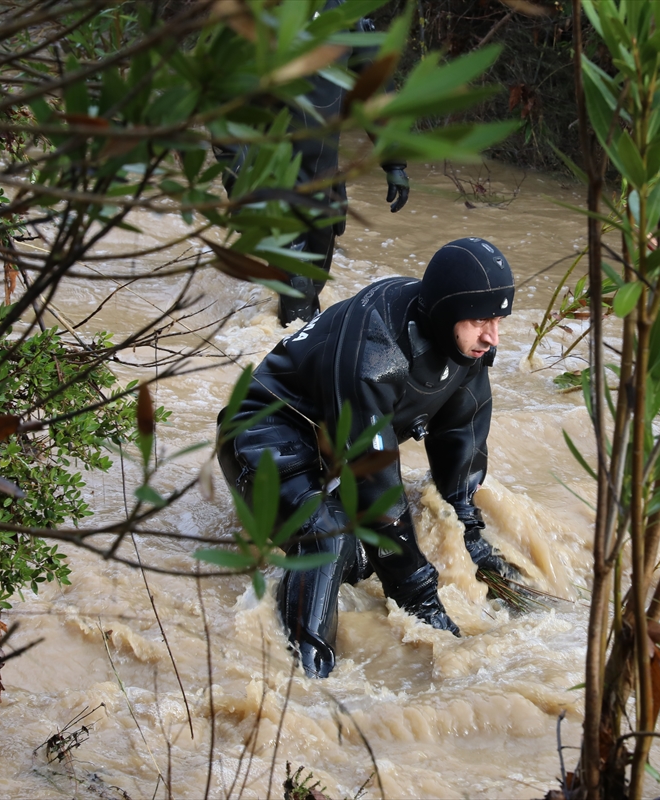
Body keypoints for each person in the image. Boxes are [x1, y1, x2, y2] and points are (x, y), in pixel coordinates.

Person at [218, 238, 517, 678]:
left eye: (497, 320)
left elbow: (461, 434)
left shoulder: (467, 343)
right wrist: (418, 597)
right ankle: (304, 679)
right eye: (479, 320)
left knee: (371, 554)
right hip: (261, 433)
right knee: (327, 535)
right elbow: (374, 486)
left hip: (329, 446)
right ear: (445, 311)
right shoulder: (375, 351)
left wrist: (468, 531)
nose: (492, 336)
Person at [215, 0, 409, 326]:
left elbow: (375, 89)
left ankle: (292, 354)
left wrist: (394, 162)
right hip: (268, 180)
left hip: (323, 180)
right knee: (298, 288)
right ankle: (278, 364)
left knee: (314, 285)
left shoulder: (345, 16)